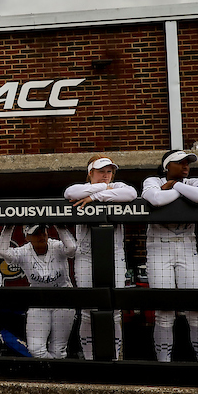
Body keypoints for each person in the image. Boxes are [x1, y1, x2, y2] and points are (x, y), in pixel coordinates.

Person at [63, 154, 136, 360]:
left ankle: (115, 357)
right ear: (90, 173)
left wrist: (95, 197)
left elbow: (130, 194)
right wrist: (105, 190)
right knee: (87, 310)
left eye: (109, 172)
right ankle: (89, 357)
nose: (106, 176)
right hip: (85, 255)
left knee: (115, 311)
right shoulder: (81, 187)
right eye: (101, 172)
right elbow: (71, 192)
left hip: (114, 254)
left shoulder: (120, 186)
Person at [141, 150, 198, 363]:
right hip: (158, 248)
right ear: (166, 167)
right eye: (179, 163)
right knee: (164, 311)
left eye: (187, 163)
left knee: (196, 310)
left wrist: (175, 186)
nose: (185, 166)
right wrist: (181, 191)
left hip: (187, 247)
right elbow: (155, 199)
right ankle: (164, 364)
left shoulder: (196, 181)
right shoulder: (152, 180)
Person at [0, 224, 77, 359]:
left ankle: (53, 378)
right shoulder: (23, 252)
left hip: (63, 299)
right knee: (36, 349)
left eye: (43, 231)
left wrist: (59, 226)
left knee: (58, 350)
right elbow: (2, 252)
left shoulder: (56, 246)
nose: (42, 236)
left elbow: (72, 248)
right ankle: (55, 372)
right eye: (36, 233)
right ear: (27, 237)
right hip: (38, 300)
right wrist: (8, 228)